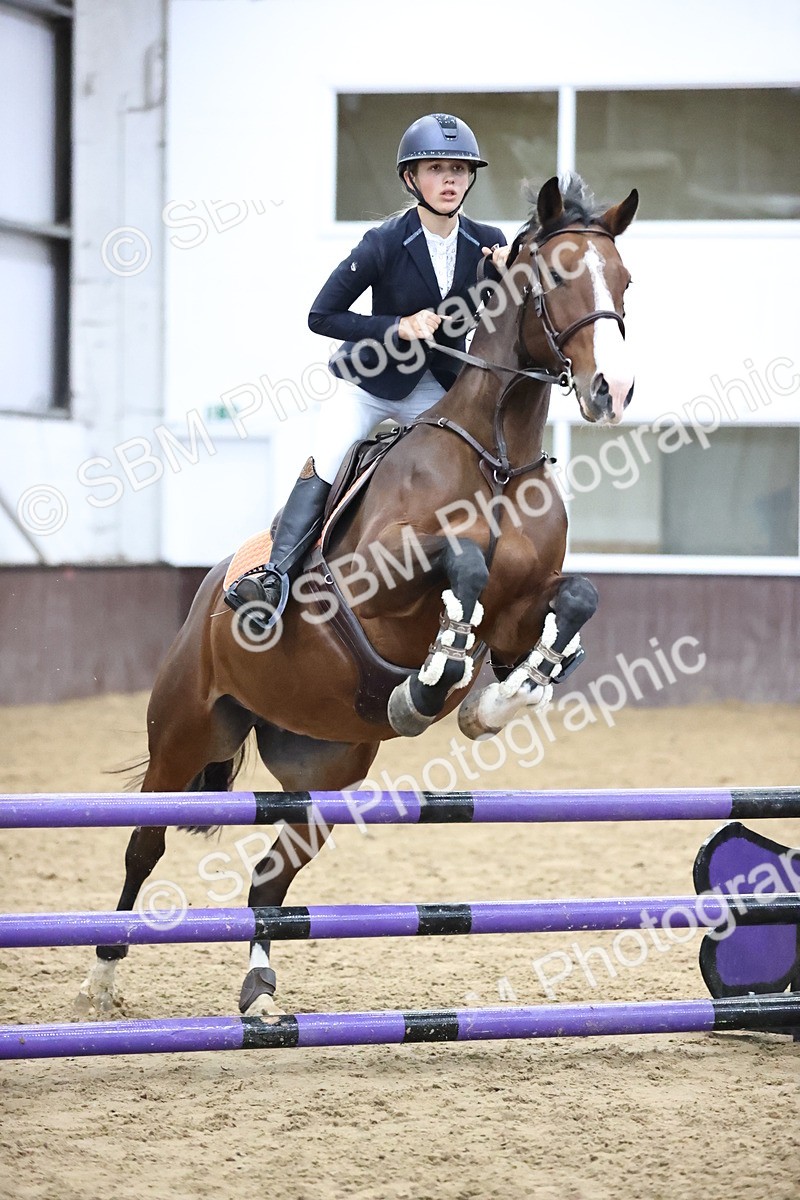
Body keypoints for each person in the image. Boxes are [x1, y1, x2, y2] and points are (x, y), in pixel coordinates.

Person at [225, 112, 509, 627]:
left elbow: (512, 313)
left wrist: (515, 273)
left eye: (461, 170)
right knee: (329, 460)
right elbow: (321, 316)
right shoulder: (383, 242)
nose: (450, 180)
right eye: (437, 168)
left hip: (440, 393)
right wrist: (397, 327)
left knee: (483, 466)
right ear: (411, 178)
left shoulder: (487, 242)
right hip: (371, 388)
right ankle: (275, 575)